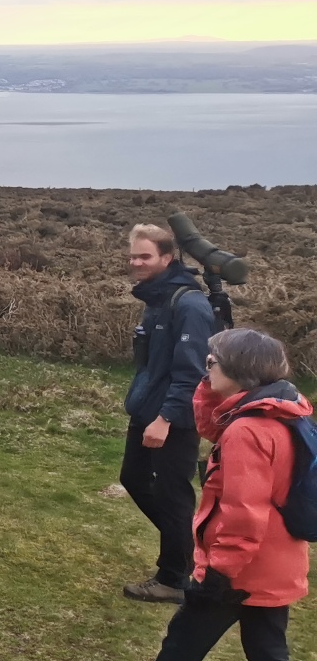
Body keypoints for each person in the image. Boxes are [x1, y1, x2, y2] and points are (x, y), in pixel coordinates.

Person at [84, 327, 317, 661]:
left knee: (186, 634)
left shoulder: (248, 431)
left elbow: (243, 514)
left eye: (214, 362)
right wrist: (207, 389)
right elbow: (213, 424)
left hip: (241, 567)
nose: (205, 366)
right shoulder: (278, 412)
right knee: (269, 653)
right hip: (274, 561)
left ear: (241, 371)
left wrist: (217, 573)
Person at [120, 222, 216, 604]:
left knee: (174, 494)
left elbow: (192, 373)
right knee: (133, 478)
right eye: (133, 255)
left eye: (144, 256)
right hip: (148, 408)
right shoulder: (159, 298)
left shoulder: (189, 304)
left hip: (173, 417)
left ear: (167, 257)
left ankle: (174, 577)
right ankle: (186, 551)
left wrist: (165, 419)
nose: (136, 262)